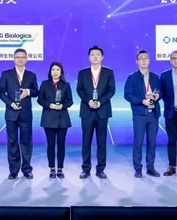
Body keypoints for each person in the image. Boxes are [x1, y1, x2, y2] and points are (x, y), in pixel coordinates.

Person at [0, 48, 39, 180]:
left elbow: (36, 92)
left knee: (26, 142)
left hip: (26, 114)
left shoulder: (31, 75)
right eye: (17, 57)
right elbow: (1, 92)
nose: (20, 59)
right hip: (11, 113)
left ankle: (27, 169)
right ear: (14, 59)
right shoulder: (6, 74)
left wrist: (28, 91)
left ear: (26, 59)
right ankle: (13, 170)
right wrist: (11, 103)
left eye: (22, 57)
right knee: (12, 142)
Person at [76, 45, 116, 179]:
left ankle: (100, 169)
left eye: (98, 54)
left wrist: (100, 102)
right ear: (89, 57)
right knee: (86, 142)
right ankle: (85, 169)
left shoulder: (108, 72)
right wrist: (88, 101)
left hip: (102, 110)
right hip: (87, 111)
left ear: (102, 57)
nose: (95, 57)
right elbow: (79, 89)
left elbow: (112, 90)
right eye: (92, 54)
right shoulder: (82, 73)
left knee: (101, 142)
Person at [123, 50, 161, 178]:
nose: (144, 60)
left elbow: (159, 92)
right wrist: (142, 101)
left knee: (152, 142)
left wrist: (157, 97)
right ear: (137, 61)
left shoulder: (155, 77)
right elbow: (127, 95)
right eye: (141, 58)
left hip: (153, 114)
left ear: (149, 60)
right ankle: (138, 168)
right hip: (139, 114)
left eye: (146, 58)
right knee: (138, 142)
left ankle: (150, 167)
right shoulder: (132, 77)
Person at [37, 61, 74, 179]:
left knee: (61, 145)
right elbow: (40, 100)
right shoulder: (44, 84)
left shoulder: (66, 85)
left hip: (62, 119)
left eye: (58, 69)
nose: (55, 72)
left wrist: (62, 105)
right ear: (50, 71)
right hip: (48, 118)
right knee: (51, 145)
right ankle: (52, 168)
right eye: (53, 69)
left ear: (61, 71)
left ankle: (60, 169)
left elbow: (70, 101)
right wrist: (50, 105)